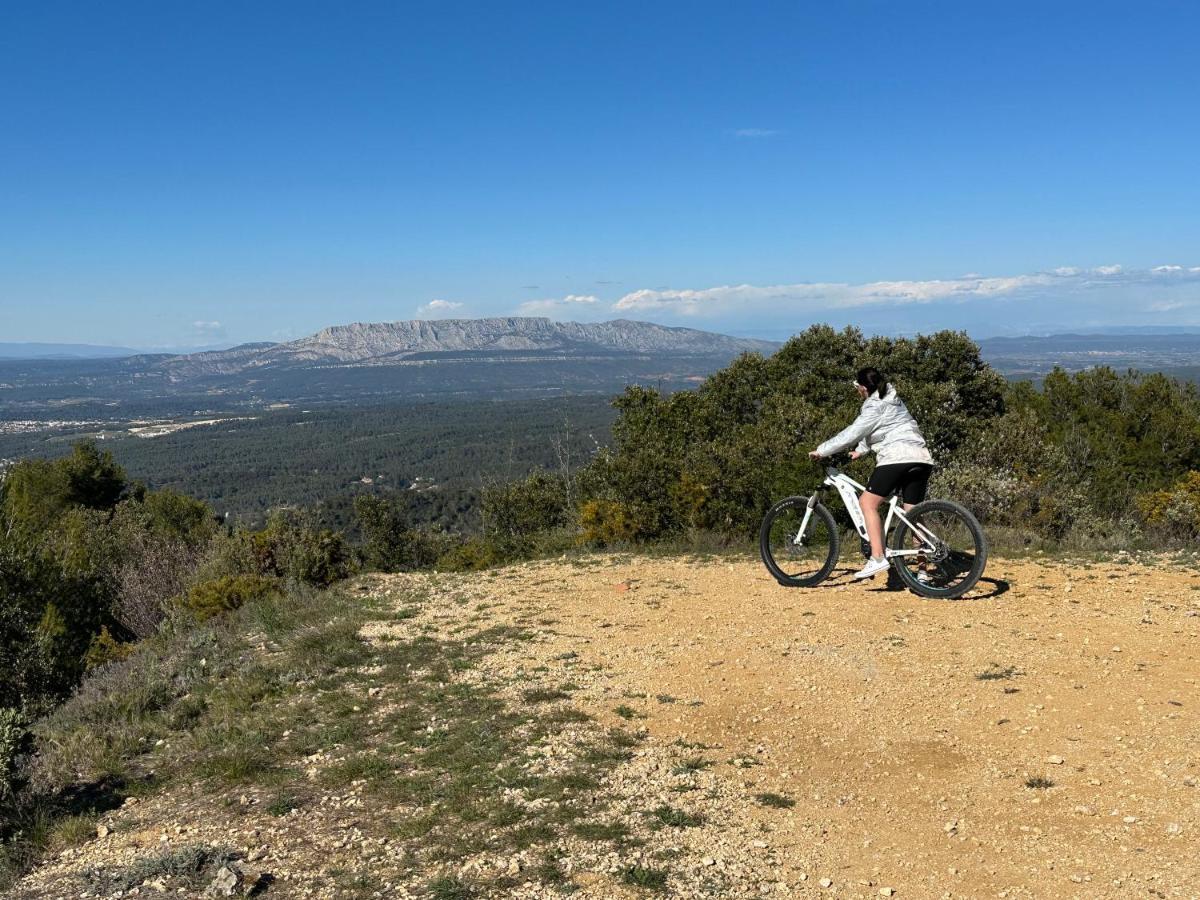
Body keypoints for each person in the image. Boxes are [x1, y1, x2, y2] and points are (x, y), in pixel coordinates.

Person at [808, 367, 934, 581]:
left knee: (867, 503)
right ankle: (923, 571)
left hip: (896, 457)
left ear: (864, 388)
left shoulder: (873, 406)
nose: (857, 391)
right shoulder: (892, 399)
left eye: (857, 387)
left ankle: (877, 557)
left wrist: (822, 450)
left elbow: (852, 432)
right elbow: (884, 427)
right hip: (921, 457)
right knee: (913, 514)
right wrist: (861, 451)